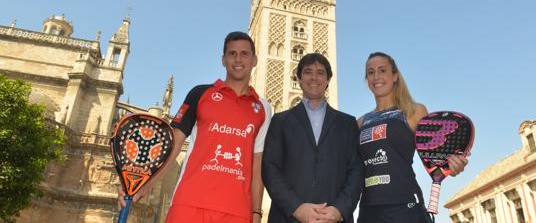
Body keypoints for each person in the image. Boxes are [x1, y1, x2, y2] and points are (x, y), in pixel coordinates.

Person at [118, 31, 272, 223]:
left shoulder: (263, 108)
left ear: (255, 60)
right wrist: (145, 183)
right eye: (232, 54)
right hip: (189, 203)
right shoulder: (200, 94)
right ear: (223, 59)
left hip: (237, 210)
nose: (238, 59)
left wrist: (256, 213)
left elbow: (258, 165)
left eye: (244, 53)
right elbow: (172, 145)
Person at [357, 52, 468, 223]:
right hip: (368, 211)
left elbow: (436, 166)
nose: (376, 76)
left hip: (405, 207)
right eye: (370, 72)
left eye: (382, 70)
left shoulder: (414, 112)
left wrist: (453, 167)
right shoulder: (360, 122)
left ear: (394, 76)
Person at [262, 53, 362, 223]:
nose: (314, 77)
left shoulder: (347, 123)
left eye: (320, 72)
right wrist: (296, 207)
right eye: (308, 72)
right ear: (299, 78)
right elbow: (270, 169)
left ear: (328, 79)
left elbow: (356, 170)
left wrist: (339, 209)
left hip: (333, 218)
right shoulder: (280, 121)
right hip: (288, 217)